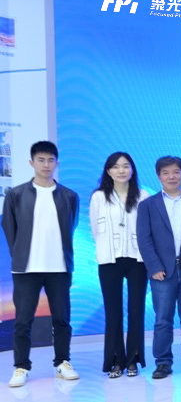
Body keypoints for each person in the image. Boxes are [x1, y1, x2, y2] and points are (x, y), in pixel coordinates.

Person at [3, 141, 80, 388]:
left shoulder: (69, 196)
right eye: (41, 160)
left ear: (57, 163)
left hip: (59, 268)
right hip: (27, 269)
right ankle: (21, 366)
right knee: (23, 321)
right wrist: (21, 254)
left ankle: (62, 362)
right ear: (31, 163)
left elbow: (72, 226)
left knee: (62, 319)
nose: (46, 165)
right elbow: (10, 229)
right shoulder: (15, 194)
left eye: (50, 160)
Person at [137, 156, 181, 379]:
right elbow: (144, 238)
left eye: (176, 172)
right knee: (162, 320)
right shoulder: (148, 205)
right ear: (159, 176)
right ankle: (163, 362)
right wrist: (154, 266)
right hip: (162, 271)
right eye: (166, 173)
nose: (171, 177)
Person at [90, 152, 150, 378]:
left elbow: (146, 229)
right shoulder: (98, 197)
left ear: (132, 170)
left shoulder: (143, 195)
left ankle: (133, 359)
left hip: (137, 260)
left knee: (136, 310)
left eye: (126, 166)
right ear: (108, 171)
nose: (121, 170)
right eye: (115, 167)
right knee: (113, 311)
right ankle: (116, 360)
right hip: (109, 260)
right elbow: (96, 230)